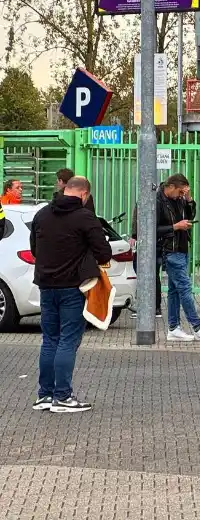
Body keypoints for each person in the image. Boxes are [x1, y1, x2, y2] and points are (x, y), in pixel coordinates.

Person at [29, 177, 111, 413]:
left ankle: (44, 395)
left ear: (65, 189)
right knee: (68, 340)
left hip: (46, 285)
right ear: (84, 194)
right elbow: (103, 252)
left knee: (50, 339)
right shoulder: (85, 217)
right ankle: (63, 397)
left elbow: (35, 248)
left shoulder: (42, 214)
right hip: (73, 286)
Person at [157, 174, 200, 343]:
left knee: (174, 290)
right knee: (184, 288)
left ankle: (173, 328)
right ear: (170, 186)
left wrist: (188, 199)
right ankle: (198, 327)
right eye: (179, 192)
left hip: (182, 247)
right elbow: (152, 227)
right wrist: (175, 227)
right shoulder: (158, 201)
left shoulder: (178, 199)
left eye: (182, 193)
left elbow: (189, 214)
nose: (180, 195)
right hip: (169, 250)